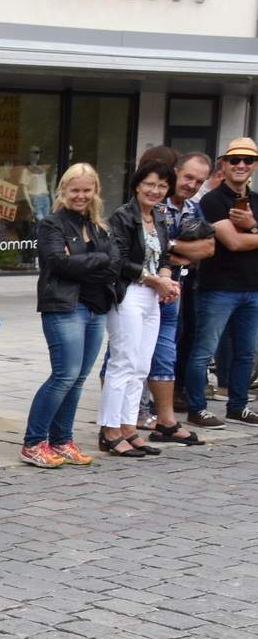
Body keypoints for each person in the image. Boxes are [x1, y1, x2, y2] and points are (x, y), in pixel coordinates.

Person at [23, 163, 120, 468]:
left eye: (86, 190)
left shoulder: (101, 226)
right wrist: (98, 260)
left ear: (95, 191)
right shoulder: (51, 225)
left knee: (78, 379)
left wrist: (83, 260)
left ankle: (61, 440)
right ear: (63, 190)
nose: (80, 195)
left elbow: (115, 264)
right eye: (74, 190)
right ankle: (33, 442)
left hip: (96, 307)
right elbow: (58, 263)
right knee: (64, 375)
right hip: (65, 306)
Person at [100, 160, 180, 457]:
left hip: (152, 296)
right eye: (150, 184)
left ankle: (128, 425)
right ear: (137, 185)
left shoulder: (158, 217)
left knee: (142, 365)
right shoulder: (123, 216)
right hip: (129, 293)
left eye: (162, 185)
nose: (155, 190)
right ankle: (110, 430)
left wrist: (167, 280)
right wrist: (155, 280)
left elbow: (166, 256)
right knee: (123, 362)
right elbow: (118, 261)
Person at [181, 137, 258, 430]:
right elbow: (234, 242)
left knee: (246, 352)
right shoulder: (213, 200)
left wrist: (253, 226)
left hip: (252, 287)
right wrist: (250, 233)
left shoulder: (257, 200)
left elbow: (245, 236)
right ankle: (196, 408)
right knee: (203, 350)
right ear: (223, 165)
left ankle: (238, 407)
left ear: (254, 166)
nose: (241, 165)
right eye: (234, 159)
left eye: (248, 160)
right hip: (219, 287)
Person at [163, 150, 214, 423]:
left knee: (178, 339)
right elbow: (148, 247)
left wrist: (172, 246)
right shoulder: (155, 203)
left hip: (182, 285)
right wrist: (178, 249)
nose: (192, 185)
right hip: (150, 288)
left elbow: (209, 247)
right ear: (176, 172)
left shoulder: (194, 208)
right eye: (188, 177)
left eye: (198, 181)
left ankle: (168, 400)